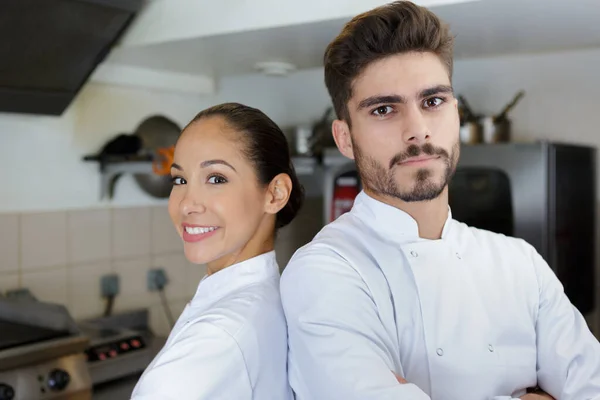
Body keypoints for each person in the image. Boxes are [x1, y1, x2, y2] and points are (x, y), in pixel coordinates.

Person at [280, 2, 600, 400]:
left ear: (456, 116)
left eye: (432, 102)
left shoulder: (519, 264)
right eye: (384, 109)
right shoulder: (325, 272)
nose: (417, 130)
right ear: (345, 137)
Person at [131, 103, 302, 399]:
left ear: (275, 194)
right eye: (180, 180)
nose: (187, 204)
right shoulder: (273, 300)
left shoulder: (217, 337)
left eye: (216, 178)